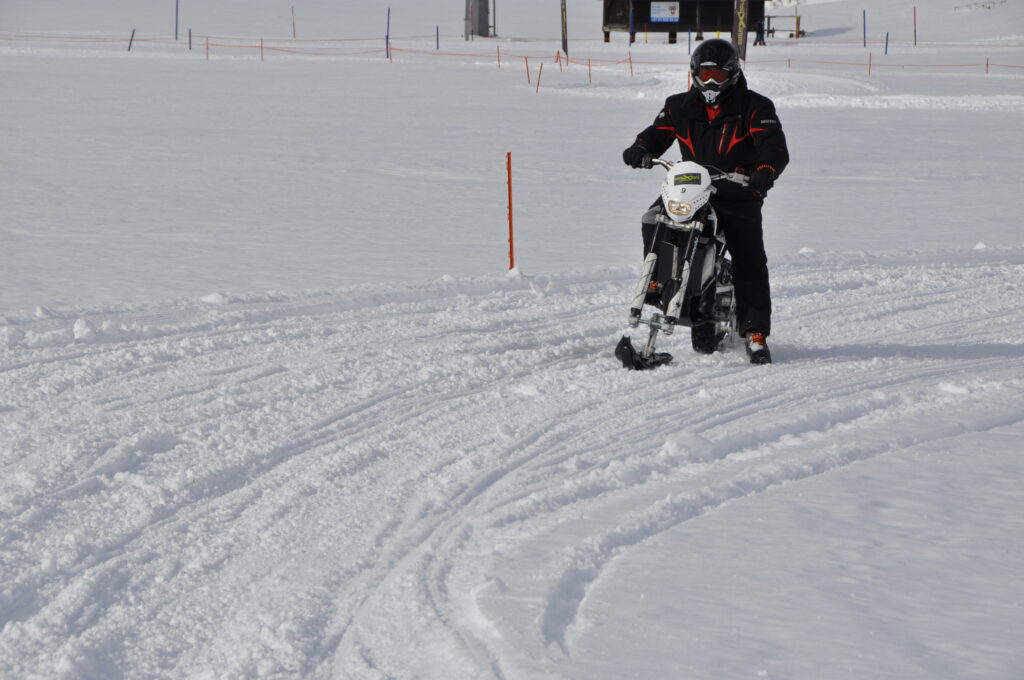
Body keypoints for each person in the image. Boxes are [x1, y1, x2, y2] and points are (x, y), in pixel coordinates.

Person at [622, 38, 788, 364]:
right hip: (692, 185)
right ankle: (659, 286)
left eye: (718, 75)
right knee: (654, 218)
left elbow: (774, 146)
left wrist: (765, 170)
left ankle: (755, 334)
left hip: (737, 189)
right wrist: (641, 149)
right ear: (695, 72)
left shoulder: (755, 107)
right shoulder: (679, 106)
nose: (711, 81)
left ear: (733, 74)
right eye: (706, 73)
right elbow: (657, 132)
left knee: (748, 255)